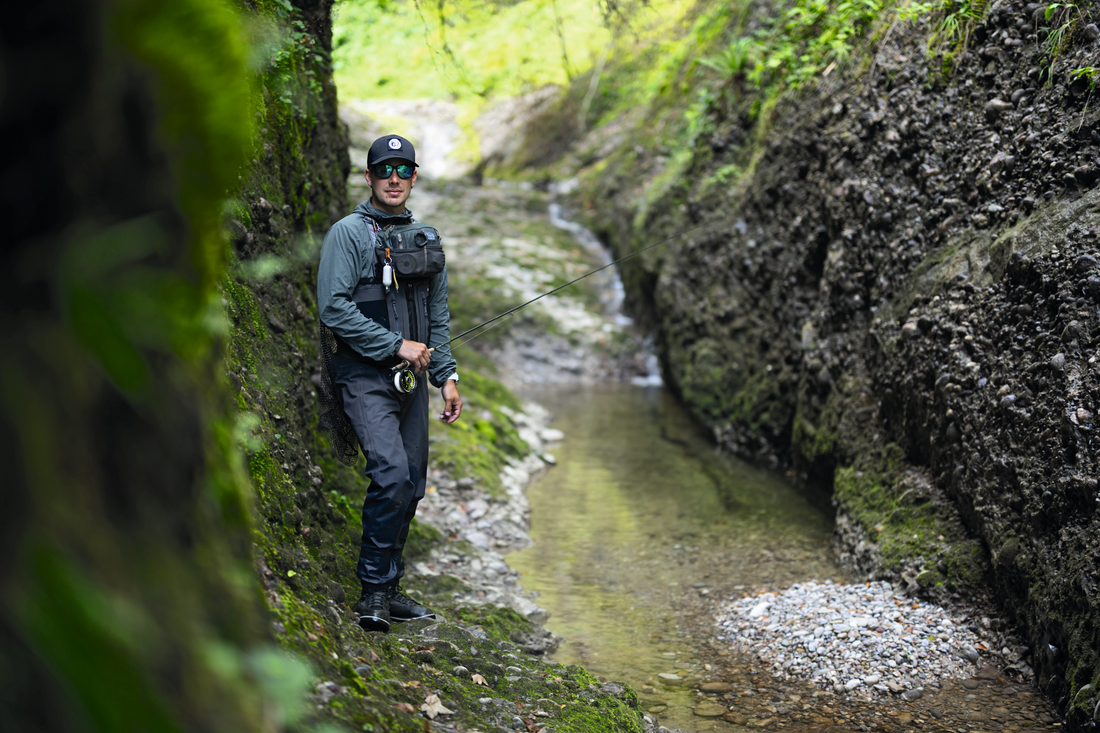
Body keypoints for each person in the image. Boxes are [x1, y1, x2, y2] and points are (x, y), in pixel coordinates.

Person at [316, 134, 462, 632]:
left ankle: (391, 588)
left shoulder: (425, 238)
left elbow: (436, 315)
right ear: (369, 177)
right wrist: (396, 346)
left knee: (413, 485)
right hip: (363, 375)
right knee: (391, 475)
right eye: (385, 171)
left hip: (413, 383)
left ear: (414, 177)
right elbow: (333, 308)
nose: (394, 179)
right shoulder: (348, 234)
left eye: (404, 170)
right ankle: (372, 592)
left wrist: (446, 377)